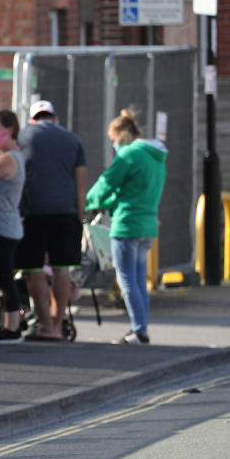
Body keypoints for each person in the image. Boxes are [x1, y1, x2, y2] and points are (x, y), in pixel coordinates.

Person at [86, 108, 167, 345]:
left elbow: (107, 183)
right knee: (139, 279)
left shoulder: (130, 155)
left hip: (127, 224)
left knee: (126, 279)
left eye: (113, 140)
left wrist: (87, 202)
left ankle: (139, 330)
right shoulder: (155, 157)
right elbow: (129, 192)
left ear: (122, 134)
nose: (114, 145)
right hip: (148, 223)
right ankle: (141, 326)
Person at [16, 100, 87, 341]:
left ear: (32, 119)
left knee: (34, 268)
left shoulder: (23, 136)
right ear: (55, 118)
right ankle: (57, 326)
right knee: (61, 268)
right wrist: (80, 218)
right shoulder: (72, 139)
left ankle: (44, 325)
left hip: (33, 211)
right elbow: (80, 186)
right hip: (66, 211)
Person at [0, 110, 27, 344]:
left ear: (9, 130)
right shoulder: (15, 156)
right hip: (9, 224)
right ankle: (11, 324)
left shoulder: (7, 158)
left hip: (2, 225)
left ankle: (12, 327)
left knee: (3, 276)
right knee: (4, 275)